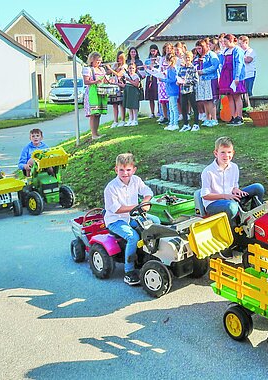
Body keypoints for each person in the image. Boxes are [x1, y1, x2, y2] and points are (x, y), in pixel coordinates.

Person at [103, 153, 160, 286]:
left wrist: (145, 202)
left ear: (133, 170)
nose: (125, 173)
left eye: (128, 170)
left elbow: (147, 191)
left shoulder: (136, 180)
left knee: (155, 222)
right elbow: (116, 209)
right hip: (116, 220)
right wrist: (137, 206)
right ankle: (129, 271)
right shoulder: (111, 188)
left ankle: (152, 255)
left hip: (132, 216)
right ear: (116, 169)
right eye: (121, 170)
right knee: (132, 237)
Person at [200, 136, 265, 224]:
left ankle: (253, 218)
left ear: (233, 153)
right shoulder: (208, 171)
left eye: (229, 152)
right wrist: (225, 196)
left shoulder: (234, 167)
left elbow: (234, 185)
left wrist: (235, 189)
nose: (226, 155)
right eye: (222, 152)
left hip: (231, 198)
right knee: (232, 206)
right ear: (216, 153)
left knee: (258, 187)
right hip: (214, 203)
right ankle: (233, 229)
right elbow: (205, 195)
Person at [218, 34, 246, 126]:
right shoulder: (225, 51)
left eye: (225, 41)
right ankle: (233, 116)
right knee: (229, 96)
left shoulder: (237, 50)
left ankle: (239, 117)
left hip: (234, 75)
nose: (224, 43)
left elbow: (239, 63)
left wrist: (237, 77)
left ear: (230, 41)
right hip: (226, 75)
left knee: (237, 96)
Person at [82, 51, 108, 140]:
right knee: (93, 113)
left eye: (100, 61)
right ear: (92, 60)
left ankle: (97, 132)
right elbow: (86, 81)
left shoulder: (101, 69)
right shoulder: (88, 69)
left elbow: (104, 80)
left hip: (100, 92)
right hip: (92, 92)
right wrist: (95, 82)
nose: (99, 62)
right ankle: (93, 134)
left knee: (98, 113)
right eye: (97, 60)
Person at [178, 51, 200, 132]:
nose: (187, 59)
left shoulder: (193, 68)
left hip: (191, 90)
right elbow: (179, 76)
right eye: (185, 58)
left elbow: (196, 80)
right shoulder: (182, 68)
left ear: (191, 58)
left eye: (188, 58)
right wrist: (178, 81)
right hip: (183, 90)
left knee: (194, 107)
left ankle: (196, 124)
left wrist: (186, 81)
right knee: (183, 107)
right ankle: (186, 124)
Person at [107, 51, 128, 128]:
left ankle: (122, 120)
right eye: (118, 58)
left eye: (121, 58)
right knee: (114, 104)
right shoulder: (116, 65)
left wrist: (111, 69)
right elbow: (108, 72)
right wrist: (111, 67)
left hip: (121, 85)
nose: (119, 60)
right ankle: (115, 121)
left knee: (121, 103)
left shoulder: (125, 66)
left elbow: (119, 74)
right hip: (114, 85)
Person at [162, 54, 181, 131]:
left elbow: (173, 80)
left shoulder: (172, 69)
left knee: (174, 108)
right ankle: (171, 123)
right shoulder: (169, 69)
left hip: (173, 91)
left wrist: (163, 80)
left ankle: (175, 123)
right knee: (170, 108)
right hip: (170, 91)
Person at [238, 35, 256, 109]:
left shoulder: (251, 51)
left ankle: (251, 107)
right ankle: (244, 108)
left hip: (249, 74)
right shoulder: (241, 51)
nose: (240, 45)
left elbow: (248, 60)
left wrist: (239, 56)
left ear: (246, 42)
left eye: (241, 44)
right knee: (242, 92)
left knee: (248, 91)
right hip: (242, 75)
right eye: (239, 44)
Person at [144, 44, 162, 119]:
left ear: (157, 51)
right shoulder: (147, 60)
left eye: (154, 51)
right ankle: (152, 112)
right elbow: (146, 70)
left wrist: (156, 62)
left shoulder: (160, 59)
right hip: (150, 78)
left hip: (157, 78)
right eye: (151, 51)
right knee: (150, 96)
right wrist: (151, 63)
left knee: (158, 95)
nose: (152, 52)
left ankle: (159, 111)